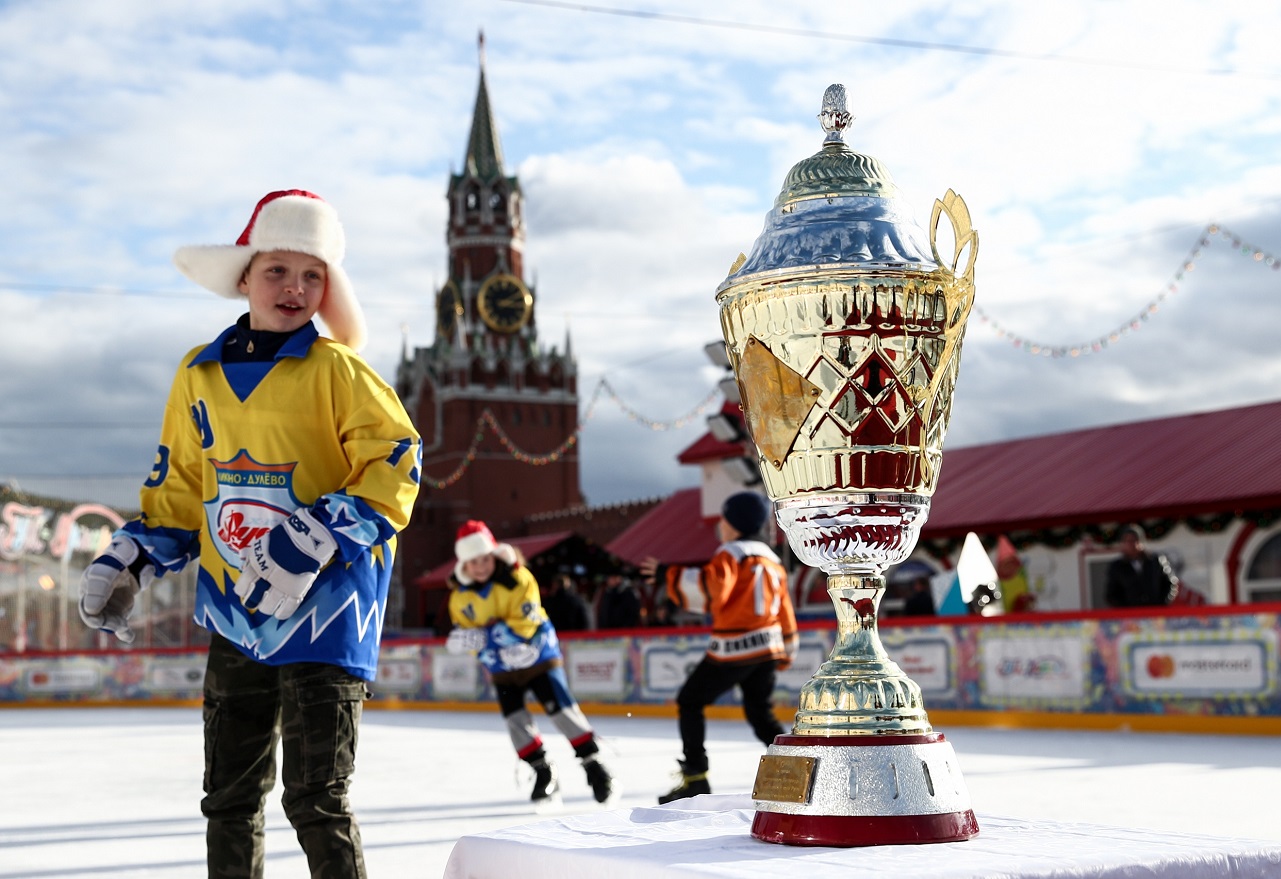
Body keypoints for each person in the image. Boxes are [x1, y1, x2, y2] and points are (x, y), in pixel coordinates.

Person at [76, 190, 421, 878]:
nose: (295, 288)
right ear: (244, 277)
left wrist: (314, 535)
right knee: (229, 798)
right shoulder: (196, 372)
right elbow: (180, 486)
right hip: (236, 616)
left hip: (326, 618)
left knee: (315, 798)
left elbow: (397, 462)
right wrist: (136, 556)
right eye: (277, 271)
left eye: (312, 274)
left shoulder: (339, 371)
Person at [639, 491, 798, 804]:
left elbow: (712, 590)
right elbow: (785, 608)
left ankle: (695, 777)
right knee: (760, 715)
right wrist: (787, 646)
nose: (720, 527)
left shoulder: (730, 553)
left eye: (723, 520)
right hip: (767, 648)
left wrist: (666, 575)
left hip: (734, 649)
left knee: (690, 700)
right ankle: (799, 769)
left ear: (734, 523)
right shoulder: (773, 559)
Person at [445, 520, 615, 807]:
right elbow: (467, 633)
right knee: (515, 719)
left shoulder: (518, 578)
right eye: (473, 562)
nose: (481, 566)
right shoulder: (460, 597)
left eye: (485, 558)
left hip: (538, 655)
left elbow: (526, 620)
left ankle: (595, 767)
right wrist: (481, 646)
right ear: (464, 565)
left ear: (495, 555)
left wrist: (487, 636)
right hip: (501, 667)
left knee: (561, 709)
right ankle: (542, 770)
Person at [1105, 524, 1180, 608]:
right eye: (1128, 541)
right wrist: (1126, 609)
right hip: (1131, 616)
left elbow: (1171, 583)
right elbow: (1111, 594)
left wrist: (1162, 603)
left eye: (1134, 540)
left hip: (1155, 612)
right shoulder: (1117, 566)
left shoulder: (1156, 561)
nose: (1132, 544)